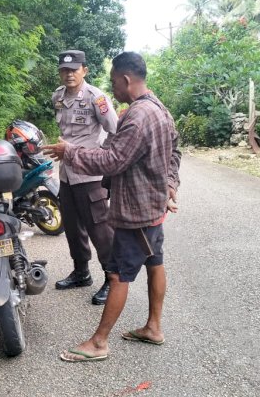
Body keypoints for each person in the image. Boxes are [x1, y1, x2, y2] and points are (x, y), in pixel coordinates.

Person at [42, 52, 181, 362]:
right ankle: (153, 328)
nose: (112, 86)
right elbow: (176, 150)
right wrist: (170, 185)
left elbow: (113, 160)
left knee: (118, 274)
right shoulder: (159, 108)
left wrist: (71, 151)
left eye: (115, 81)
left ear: (126, 80)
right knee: (154, 263)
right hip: (153, 206)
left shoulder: (138, 116)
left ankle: (99, 342)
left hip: (138, 211)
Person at [52, 50, 118, 305]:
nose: (69, 74)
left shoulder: (96, 98)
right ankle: (81, 272)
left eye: (74, 69)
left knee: (100, 230)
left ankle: (113, 279)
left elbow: (114, 129)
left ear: (84, 71)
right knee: (72, 226)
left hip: (90, 175)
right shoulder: (58, 96)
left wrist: (100, 154)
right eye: (64, 70)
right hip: (67, 174)